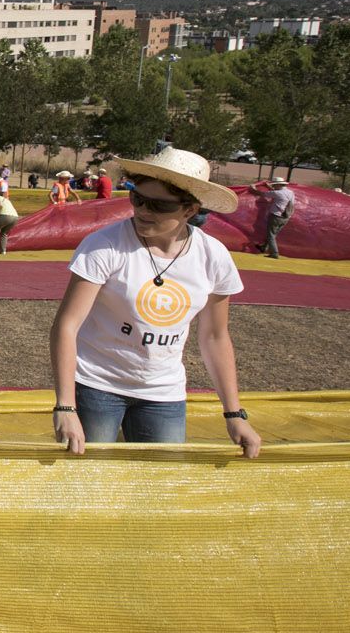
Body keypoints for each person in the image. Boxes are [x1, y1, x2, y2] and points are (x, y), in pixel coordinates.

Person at [47, 148, 258, 458]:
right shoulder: (104, 246)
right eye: (137, 198)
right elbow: (66, 326)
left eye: (158, 206)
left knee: (162, 481)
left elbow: (215, 336)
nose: (143, 211)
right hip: (96, 387)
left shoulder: (213, 257)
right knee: (87, 479)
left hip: (164, 394)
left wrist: (234, 414)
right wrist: (66, 406)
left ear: (190, 209)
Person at [253, 176, 294, 258]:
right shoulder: (290, 192)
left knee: (271, 235)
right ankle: (264, 247)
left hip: (276, 216)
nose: (274, 186)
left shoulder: (277, 193)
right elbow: (274, 192)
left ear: (279, 185)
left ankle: (274, 253)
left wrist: (253, 188)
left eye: (275, 185)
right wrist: (268, 186)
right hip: (286, 217)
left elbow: (261, 193)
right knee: (274, 234)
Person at [0, 188, 19, 254]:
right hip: (15, 217)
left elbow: (0, 205)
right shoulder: (7, 200)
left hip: (4, 216)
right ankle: (3, 251)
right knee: (4, 234)